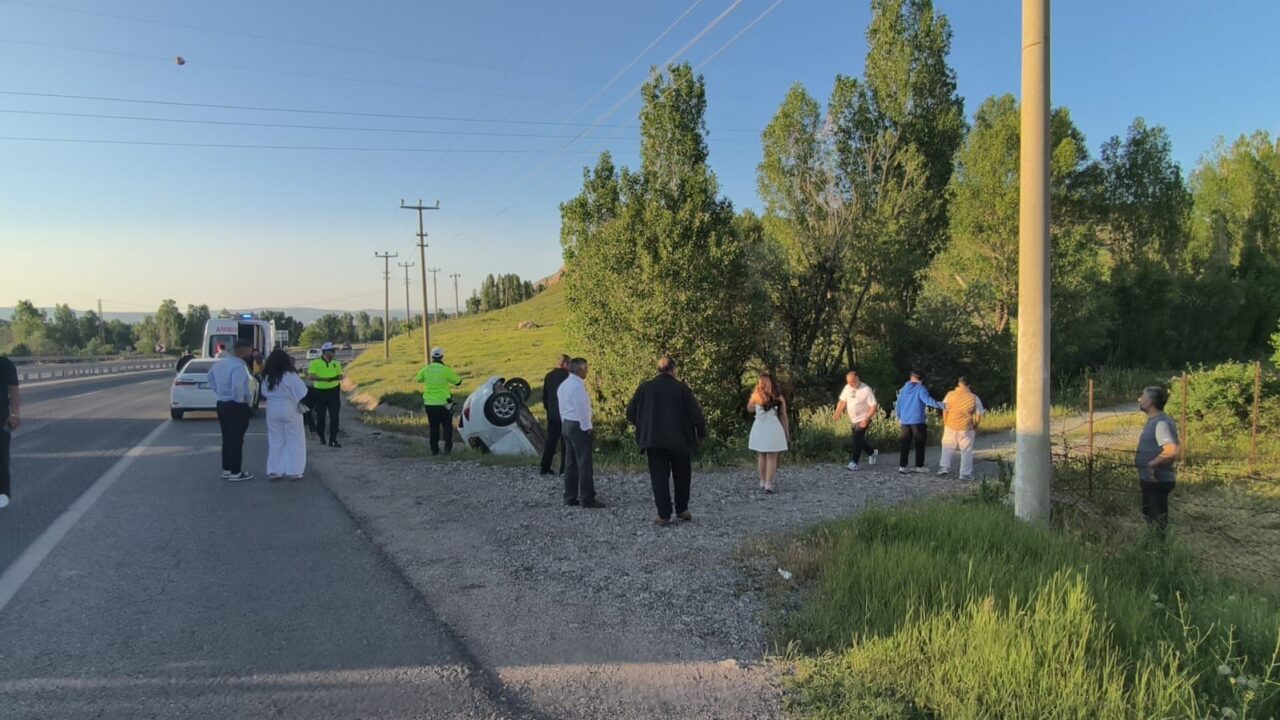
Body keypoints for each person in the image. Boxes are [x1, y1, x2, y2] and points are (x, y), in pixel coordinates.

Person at [627, 356, 707, 525]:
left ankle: (663, 514)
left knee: (659, 477)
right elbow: (696, 415)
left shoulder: (645, 388)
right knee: (682, 475)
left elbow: (630, 412)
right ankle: (682, 509)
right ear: (673, 370)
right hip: (680, 440)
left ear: (658, 370)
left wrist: (644, 426)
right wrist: (701, 434)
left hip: (653, 440)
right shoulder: (681, 389)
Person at [558, 357, 604, 508]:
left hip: (566, 423)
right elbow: (582, 409)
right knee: (584, 462)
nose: (587, 371)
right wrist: (588, 426)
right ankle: (587, 497)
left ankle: (570, 496)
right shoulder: (577, 387)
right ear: (580, 370)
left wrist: (564, 421)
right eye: (586, 368)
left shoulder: (563, 385)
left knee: (570, 462)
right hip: (578, 424)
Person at [208, 339, 255, 481]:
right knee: (237, 439)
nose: (251, 352)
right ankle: (236, 472)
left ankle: (227, 469)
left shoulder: (222, 364)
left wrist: (219, 392)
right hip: (235, 405)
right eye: (250, 349)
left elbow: (209, 377)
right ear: (244, 350)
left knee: (227, 438)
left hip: (222, 403)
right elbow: (237, 386)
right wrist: (240, 400)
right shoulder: (239, 367)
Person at [1136, 386, 1179, 533]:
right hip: (1151, 481)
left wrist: (1152, 465)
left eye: (1143, 397)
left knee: (1157, 521)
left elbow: (1171, 450)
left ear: (1150, 402)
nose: (1139, 400)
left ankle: (1159, 550)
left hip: (1157, 481)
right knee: (1151, 517)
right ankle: (1154, 547)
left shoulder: (1161, 424)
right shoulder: (1155, 421)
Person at [261, 349, 309, 480]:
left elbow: (264, 393)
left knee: (276, 440)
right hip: (290, 409)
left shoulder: (267, 377)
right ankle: (295, 471)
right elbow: (302, 392)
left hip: (272, 410)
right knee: (294, 440)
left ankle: (275, 470)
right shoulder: (290, 375)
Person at [414, 346, 462, 455]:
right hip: (444, 404)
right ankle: (447, 449)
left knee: (433, 427)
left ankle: (434, 450)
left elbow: (418, 379)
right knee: (447, 426)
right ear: (442, 356)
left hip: (429, 404)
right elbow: (458, 382)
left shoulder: (426, 369)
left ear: (431, 357)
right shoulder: (446, 370)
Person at [895, 369, 944, 475]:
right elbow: (927, 401)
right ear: (921, 379)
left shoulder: (903, 389)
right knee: (920, 444)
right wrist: (942, 405)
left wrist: (899, 415)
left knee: (905, 444)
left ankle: (902, 466)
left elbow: (898, 404)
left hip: (905, 421)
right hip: (917, 421)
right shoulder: (920, 388)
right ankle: (919, 465)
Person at [747, 372, 789, 494]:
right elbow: (783, 415)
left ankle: (762, 480)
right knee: (772, 457)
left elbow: (749, 409)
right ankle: (769, 484)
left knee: (761, 455)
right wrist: (786, 431)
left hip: (760, 426)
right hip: (773, 427)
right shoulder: (778, 397)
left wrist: (753, 397)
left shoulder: (756, 396)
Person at [938, 377, 985, 480]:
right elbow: (978, 415)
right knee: (966, 450)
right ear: (969, 385)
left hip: (950, 425)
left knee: (947, 447)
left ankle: (944, 468)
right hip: (966, 427)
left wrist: (946, 422)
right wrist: (975, 425)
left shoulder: (950, 395)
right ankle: (964, 473)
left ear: (958, 384)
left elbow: (945, 410)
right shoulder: (974, 398)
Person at [834, 369, 879, 471]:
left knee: (857, 440)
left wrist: (867, 418)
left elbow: (873, 406)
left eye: (852, 382)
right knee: (859, 440)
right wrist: (837, 412)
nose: (851, 384)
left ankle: (854, 462)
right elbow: (842, 401)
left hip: (864, 418)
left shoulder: (866, 389)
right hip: (853, 419)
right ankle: (872, 452)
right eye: (849, 382)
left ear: (857, 378)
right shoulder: (847, 388)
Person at [307, 341, 344, 448]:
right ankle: (322, 436)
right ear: (325, 352)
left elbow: (340, 376)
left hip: (334, 392)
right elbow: (310, 376)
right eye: (332, 351)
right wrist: (325, 379)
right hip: (320, 393)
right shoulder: (315, 363)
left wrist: (333, 379)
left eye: (334, 350)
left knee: (334, 417)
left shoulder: (336, 363)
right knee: (321, 417)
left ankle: (333, 439)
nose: (334, 352)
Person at [540, 355, 571, 475]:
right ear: (565, 364)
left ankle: (545, 467)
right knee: (566, 442)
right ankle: (564, 469)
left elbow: (545, 396)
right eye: (569, 364)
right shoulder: (568, 377)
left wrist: (548, 409)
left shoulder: (549, 376)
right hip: (564, 412)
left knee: (551, 441)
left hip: (552, 412)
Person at [0, 354, 21, 509]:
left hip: (1, 421)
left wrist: (15, 413)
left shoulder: (5, 364)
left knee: (1, 462)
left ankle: (3, 496)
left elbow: (14, 389)